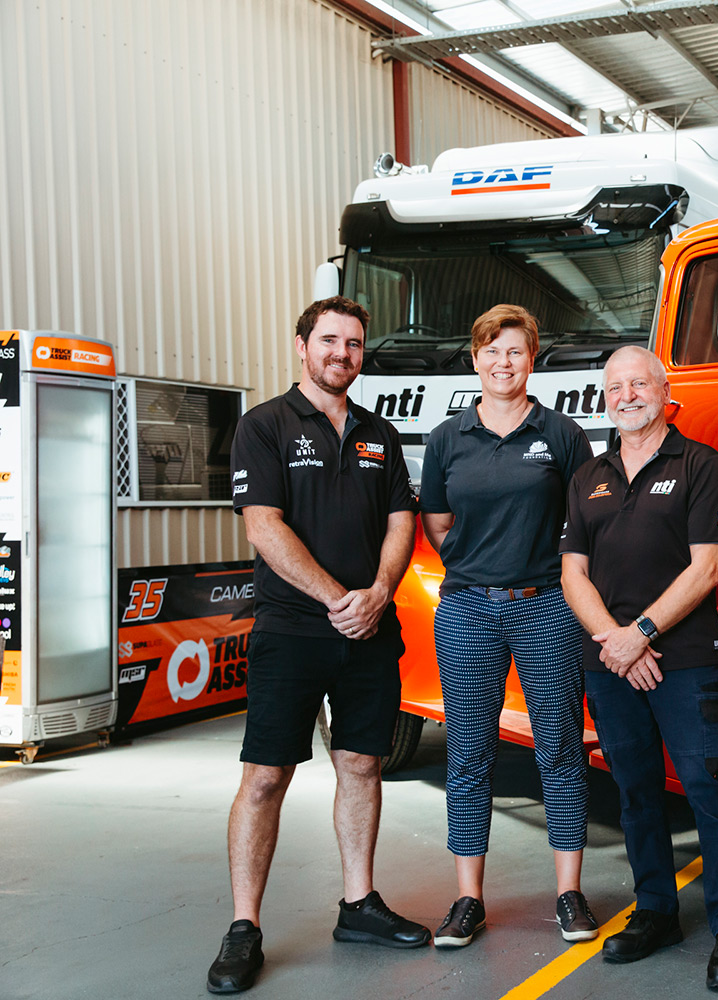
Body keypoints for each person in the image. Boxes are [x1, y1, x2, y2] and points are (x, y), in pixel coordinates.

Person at [208, 296, 427, 995]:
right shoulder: (263, 426)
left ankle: (358, 904)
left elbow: (401, 520)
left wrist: (380, 592)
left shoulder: (378, 432)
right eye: (329, 340)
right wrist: (338, 597)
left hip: (369, 631)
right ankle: (245, 926)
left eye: (354, 343)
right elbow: (263, 527)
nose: (342, 353)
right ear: (302, 346)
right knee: (267, 775)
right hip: (293, 631)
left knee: (362, 764)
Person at [559, 345, 718, 991]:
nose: (626, 395)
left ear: (663, 391)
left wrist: (640, 634)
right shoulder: (589, 475)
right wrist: (614, 643)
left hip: (686, 663)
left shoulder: (700, 465)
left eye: (637, 383)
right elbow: (573, 574)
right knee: (637, 795)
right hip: (609, 664)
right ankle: (655, 913)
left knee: (709, 794)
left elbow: (707, 567)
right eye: (615, 387)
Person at [419, 304, 597, 948]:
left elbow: (585, 522)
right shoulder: (446, 439)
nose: (504, 362)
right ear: (476, 359)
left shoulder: (563, 434)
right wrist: (475, 565)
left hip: (546, 604)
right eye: (492, 351)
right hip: (467, 608)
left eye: (515, 351)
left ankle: (569, 894)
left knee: (558, 749)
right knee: (468, 755)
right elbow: (437, 522)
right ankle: (468, 900)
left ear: (532, 358)